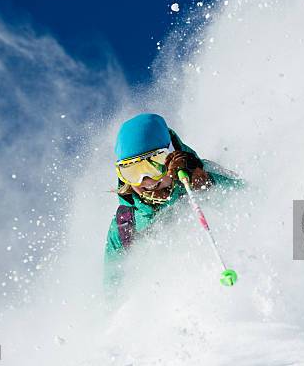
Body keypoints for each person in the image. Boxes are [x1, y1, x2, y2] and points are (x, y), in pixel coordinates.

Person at [104, 113, 242, 290]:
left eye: (155, 164)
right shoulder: (124, 226)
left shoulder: (201, 175)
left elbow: (257, 202)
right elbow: (113, 289)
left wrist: (207, 184)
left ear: (172, 155)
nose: (146, 180)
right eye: (132, 171)